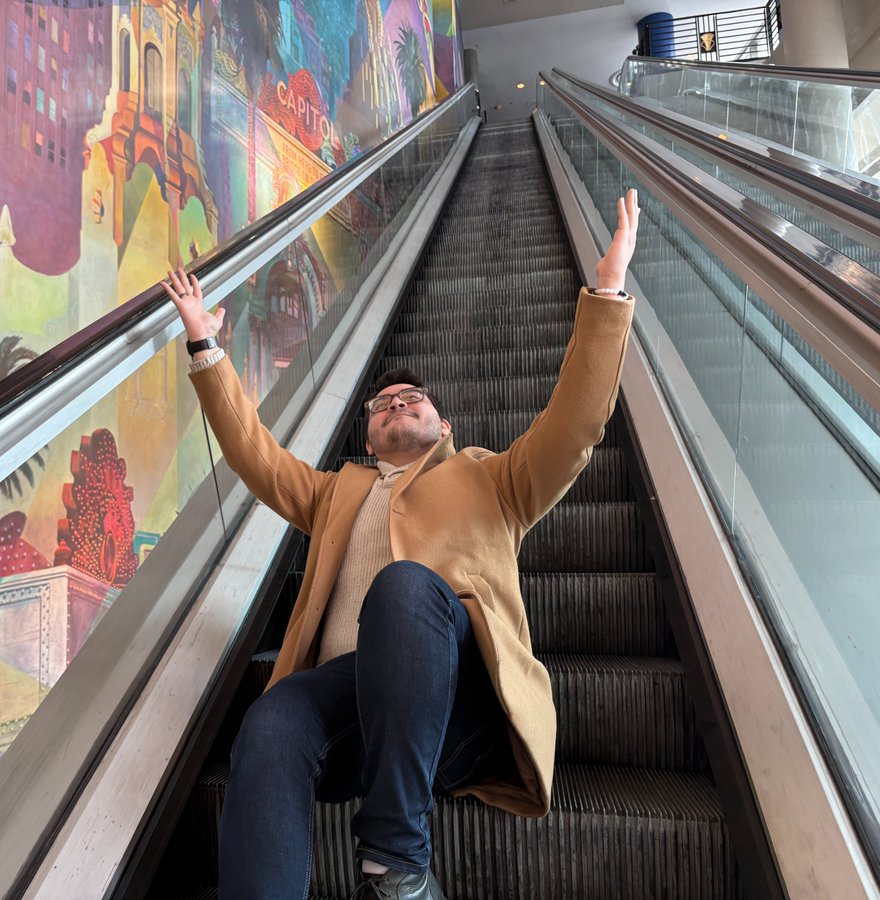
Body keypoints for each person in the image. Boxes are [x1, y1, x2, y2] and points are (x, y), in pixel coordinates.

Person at [162, 189, 640, 900]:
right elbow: (256, 457)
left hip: (456, 707)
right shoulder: (336, 493)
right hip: (351, 707)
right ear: (368, 436)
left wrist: (606, 293)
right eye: (382, 405)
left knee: (405, 587)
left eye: (411, 399)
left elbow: (574, 426)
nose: (396, 405)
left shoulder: (495, 478)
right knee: (271, 720)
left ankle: (396, 865)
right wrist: (206, 347)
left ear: (444, 424)